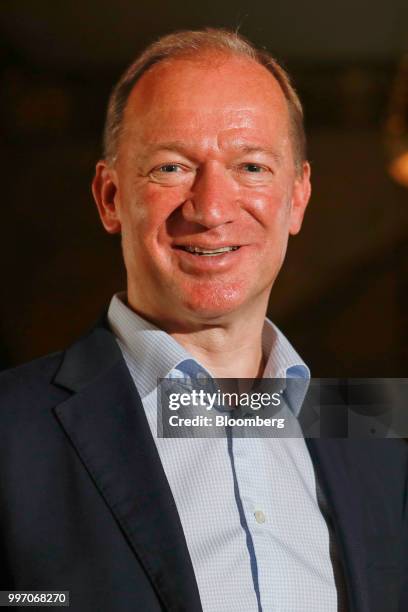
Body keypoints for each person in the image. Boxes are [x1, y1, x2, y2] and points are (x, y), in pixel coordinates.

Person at [0, 28, 406, 612]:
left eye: (251, 167)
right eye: (170, 167)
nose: (212, 208)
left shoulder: (375, 428)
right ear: (110, 197)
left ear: (297, 197)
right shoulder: (12, 430)